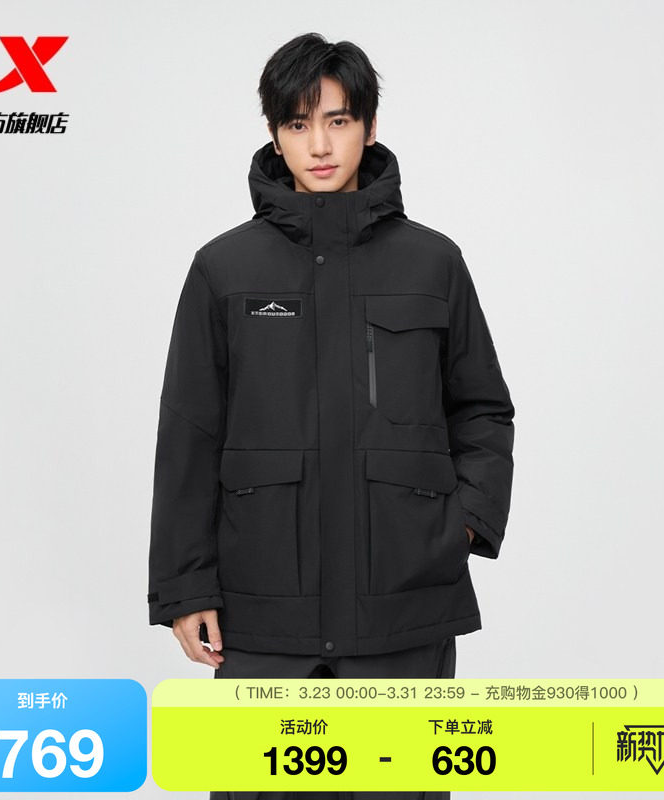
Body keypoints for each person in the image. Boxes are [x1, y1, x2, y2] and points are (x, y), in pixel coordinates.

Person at [147, 32, 515, 800]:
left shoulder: (433, 263)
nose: (319, 144)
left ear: (369, 127)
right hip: (262, 611)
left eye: (338, 121)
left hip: (403, 609)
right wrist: (185, 588)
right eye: (299, 123)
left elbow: (482, 409)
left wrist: (460, 528)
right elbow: (190, 432)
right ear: (275, 133)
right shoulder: (224, 269)